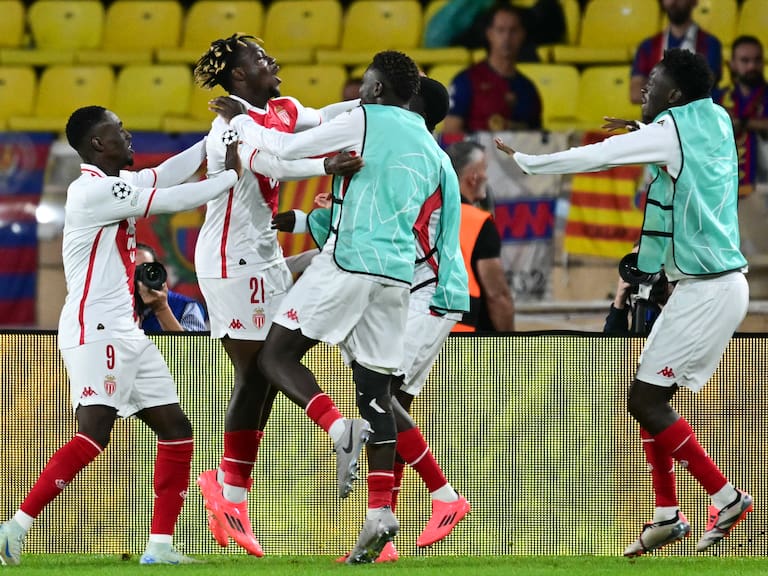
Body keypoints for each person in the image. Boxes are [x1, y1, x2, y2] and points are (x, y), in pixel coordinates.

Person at [209, 50, 468, 563]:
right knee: (376, 390)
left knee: (275, 357)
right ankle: (379, 514)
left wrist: (240, 119)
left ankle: (337, 429)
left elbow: (281, 149)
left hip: (349, 261)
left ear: (374, 90)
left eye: (363, 86)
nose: (358, 94)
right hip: (397, 278)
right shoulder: (431, 146)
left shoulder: (364, 119)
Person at [496, 49, 752, 556]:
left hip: (707, 288)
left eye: (653, 82)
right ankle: (666, 515)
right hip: (717, 284)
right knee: (650, 397)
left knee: (644, 401)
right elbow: (685, 143)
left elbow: (598, 156)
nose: (644, 86)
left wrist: (530, 161)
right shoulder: (717, 118)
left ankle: (727, 498)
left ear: (675, 95)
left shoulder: (670, 130)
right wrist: (644, 125)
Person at [0, 105, 242, 566]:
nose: (128, 136)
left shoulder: (117, 185)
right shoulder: (89, 191)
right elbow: (172, 199)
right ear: (98, 144)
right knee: (94, 433)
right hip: (96, 328)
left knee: (177, 430)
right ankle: (15, 526)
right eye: (119, 131)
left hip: (125, 330)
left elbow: (167, 173)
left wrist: (219, 133)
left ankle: (160, 546)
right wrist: (230, 175)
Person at [190, 33, 363, 557]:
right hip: (229, 263)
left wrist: (371, 103)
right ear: (239, 76)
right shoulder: (231, 126)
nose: (273, 62)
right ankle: (335, 428)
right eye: (260, 59)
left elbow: (323, 116)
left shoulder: (282, 107)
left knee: (264, 369)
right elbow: (272, 165)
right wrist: (324, 167)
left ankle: (228, 491)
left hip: (263, 254)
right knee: (263, 367)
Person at [442, 4, 542, 140]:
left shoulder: (528, 89)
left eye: (513, 31)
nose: (507, 37)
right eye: (500, 30)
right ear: (489, 34)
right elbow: (450, 133)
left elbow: (537, 140)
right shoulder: (466, 80)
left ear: (522, 35)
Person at [446, 141, 515, 332]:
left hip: (419, 335)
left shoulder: (423, 215)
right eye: (484, 169)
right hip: (464, 336)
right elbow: (497, 296)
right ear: (473, 178)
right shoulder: (479, 222)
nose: (487, 176)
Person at [630, 0, 722, 105]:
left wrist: (658, 92)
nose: (673, 2)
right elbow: (635, 93)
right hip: (659, 120)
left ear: (694, 2)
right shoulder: (648, 46)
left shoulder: (710, 43)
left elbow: (703, 88)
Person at [715, 35, 768, 198]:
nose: (752, 66)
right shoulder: (718, 98)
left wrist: (742, 123)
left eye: (757, 60)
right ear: (732, 65)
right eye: (745, 61)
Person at [135, 243, 207, 332]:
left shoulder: (185, 306)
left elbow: (193, 346)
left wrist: (161, 309)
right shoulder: (115, 306)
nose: (139, 279)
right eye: (133, 272)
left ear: (158, 272)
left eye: (146, 271)